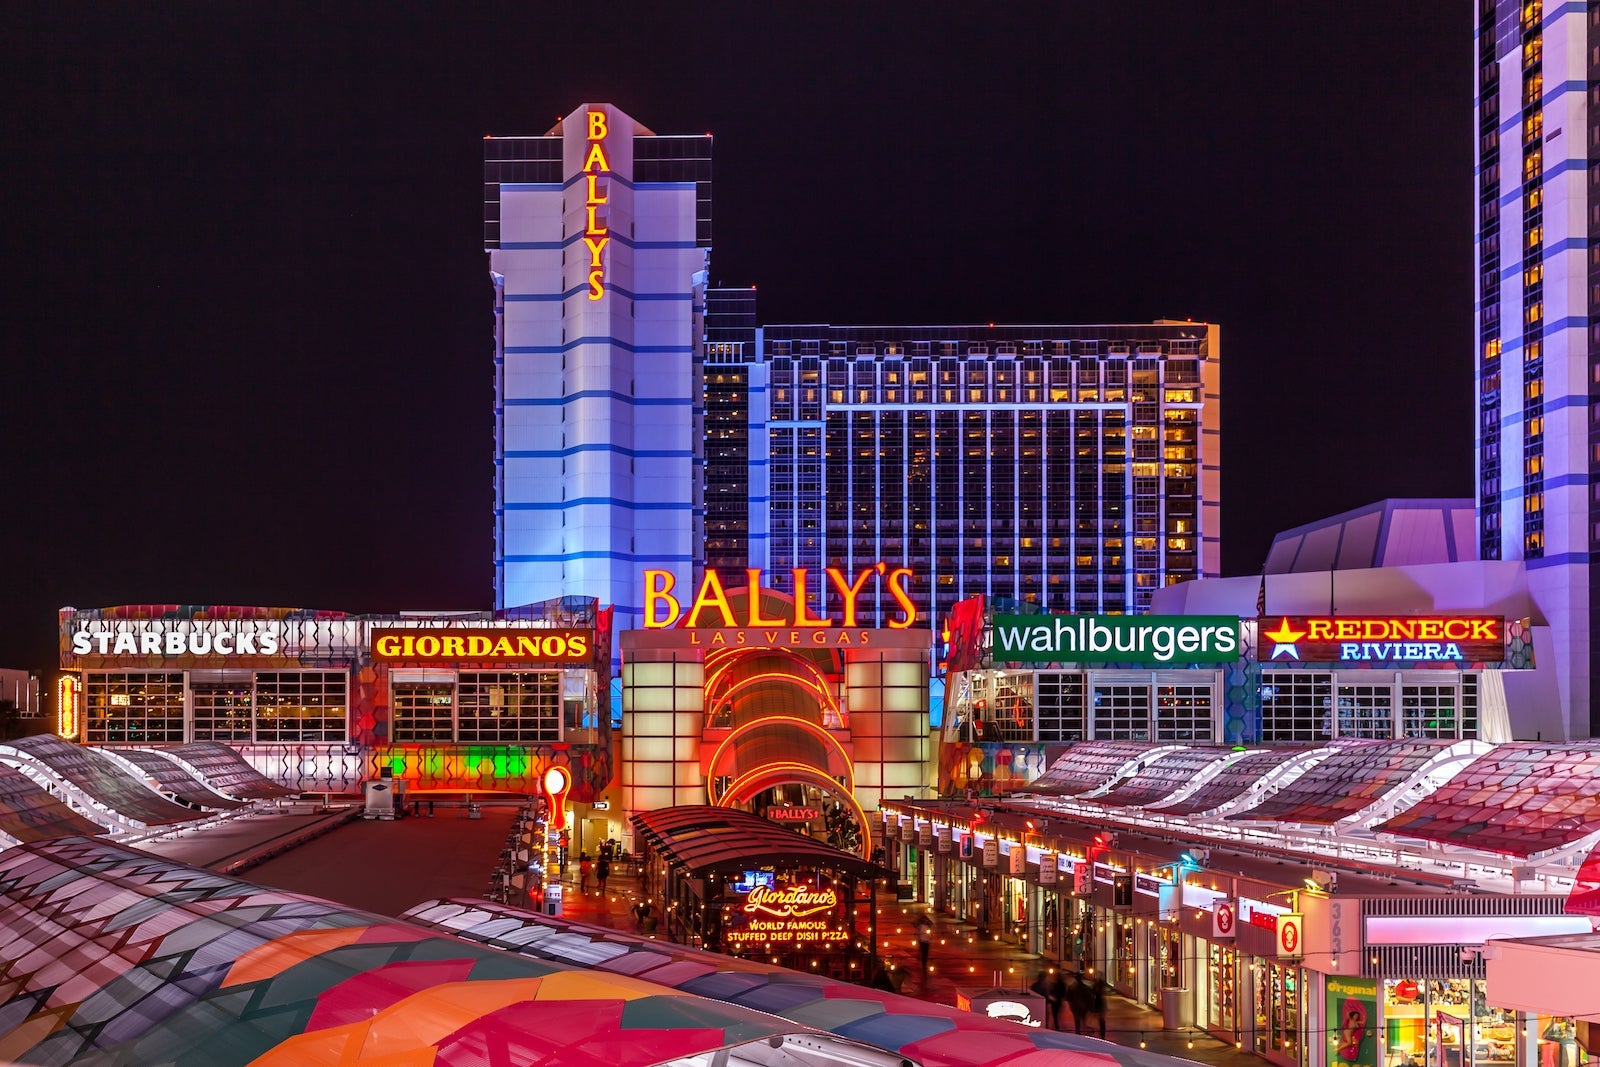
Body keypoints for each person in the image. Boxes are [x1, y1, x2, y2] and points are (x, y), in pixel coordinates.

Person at [1086, 973, 1107, 1038]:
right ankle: (1092, 1031)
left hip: (1098, 1004)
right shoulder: (1097, 989)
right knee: (1097, 1019)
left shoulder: (1098, 990)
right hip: (1097, 1004)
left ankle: (1101, 1034)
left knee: (1100, 1020)